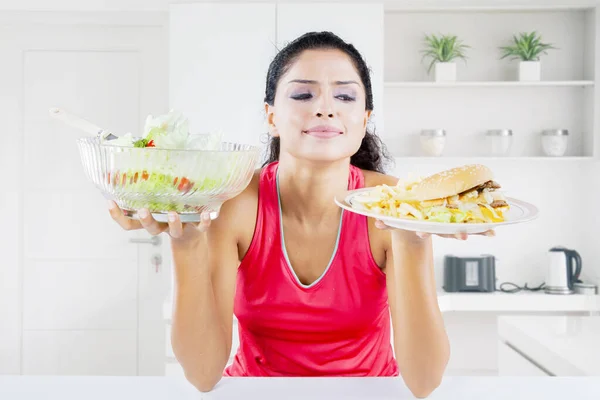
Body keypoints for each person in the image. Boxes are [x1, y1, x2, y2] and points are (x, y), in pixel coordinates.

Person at [108, 31, 493, 398]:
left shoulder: (395, 203)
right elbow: (202, 373)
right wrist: (185, 242)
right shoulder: (236, 203)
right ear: (272, 116)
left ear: (364, 118)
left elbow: (424, 381)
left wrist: (409, 235)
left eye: (344, 96)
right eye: (304, 94)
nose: (325, 107)